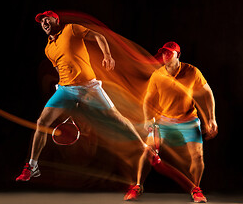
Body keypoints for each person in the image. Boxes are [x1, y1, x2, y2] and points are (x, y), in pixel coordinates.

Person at [15, 11, 147, 191]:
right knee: (42, 122)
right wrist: (64, 92)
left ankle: (143, 145)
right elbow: (62, 67)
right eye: (41, 21)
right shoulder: (48, 49)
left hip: (89, 87)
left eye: (47, 19)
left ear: (56, 20)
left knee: (116, 117)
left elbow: (99, 36)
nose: (44, 22)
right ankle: (32, 166)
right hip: (65, 90)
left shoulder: (71, 29)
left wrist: (107, 55)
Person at [124, 42, 218, 203]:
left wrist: (211, 118)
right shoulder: (157, 75)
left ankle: (196, 189)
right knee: (147, 151)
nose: (165, 56)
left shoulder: (192, 71)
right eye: (163, 53)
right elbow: (148, 100)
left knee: (197, 156)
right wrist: (148, 119)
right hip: (164, 120)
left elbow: (208, 93)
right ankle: (137, 186)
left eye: (170, 53)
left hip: (188, 120)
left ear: (178, 55)